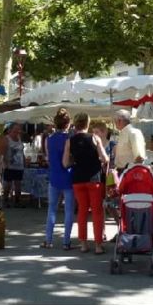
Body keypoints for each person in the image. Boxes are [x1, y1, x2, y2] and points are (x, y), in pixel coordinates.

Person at [64, 113, 109, 255]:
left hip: (78, 179)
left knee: (82, 211)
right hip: (93, 179)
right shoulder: (95, 138)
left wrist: (75, 161)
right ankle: (98, 245)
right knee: (97, 212)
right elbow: (105, 158)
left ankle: (83, 244)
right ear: (87, 123)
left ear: (76, 124)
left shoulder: (70, 141)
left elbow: (65, 163)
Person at [42, 108, 75, 250]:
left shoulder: (49, 139)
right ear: (68, 124)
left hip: (54, 175)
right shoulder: (70, 140)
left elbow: (48, 158)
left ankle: (48, 240)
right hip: (68, 175)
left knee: (52, 209)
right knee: (69, 210)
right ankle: (66, 242)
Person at [0, 123, 25, 208]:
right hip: (9, 166)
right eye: (15, 130)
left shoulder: (19, 138)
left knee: (18, 184)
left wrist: (24, 161)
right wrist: (4, 164)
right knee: (8, 185)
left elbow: (21, 152)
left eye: (18, 130)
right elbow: (2, 153)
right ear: (10, 130)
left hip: (19, 166)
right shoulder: (6, 139)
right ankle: (5, 200)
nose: (17, 132)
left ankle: (17, 201)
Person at [113, 109, 146, 173]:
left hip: (130, 172)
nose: (115, 123)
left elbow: (140, 157)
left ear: (119, 121)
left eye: (115, 121)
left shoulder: (134, 133)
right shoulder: (123, 133)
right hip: (122, 171)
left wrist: (133, 173)